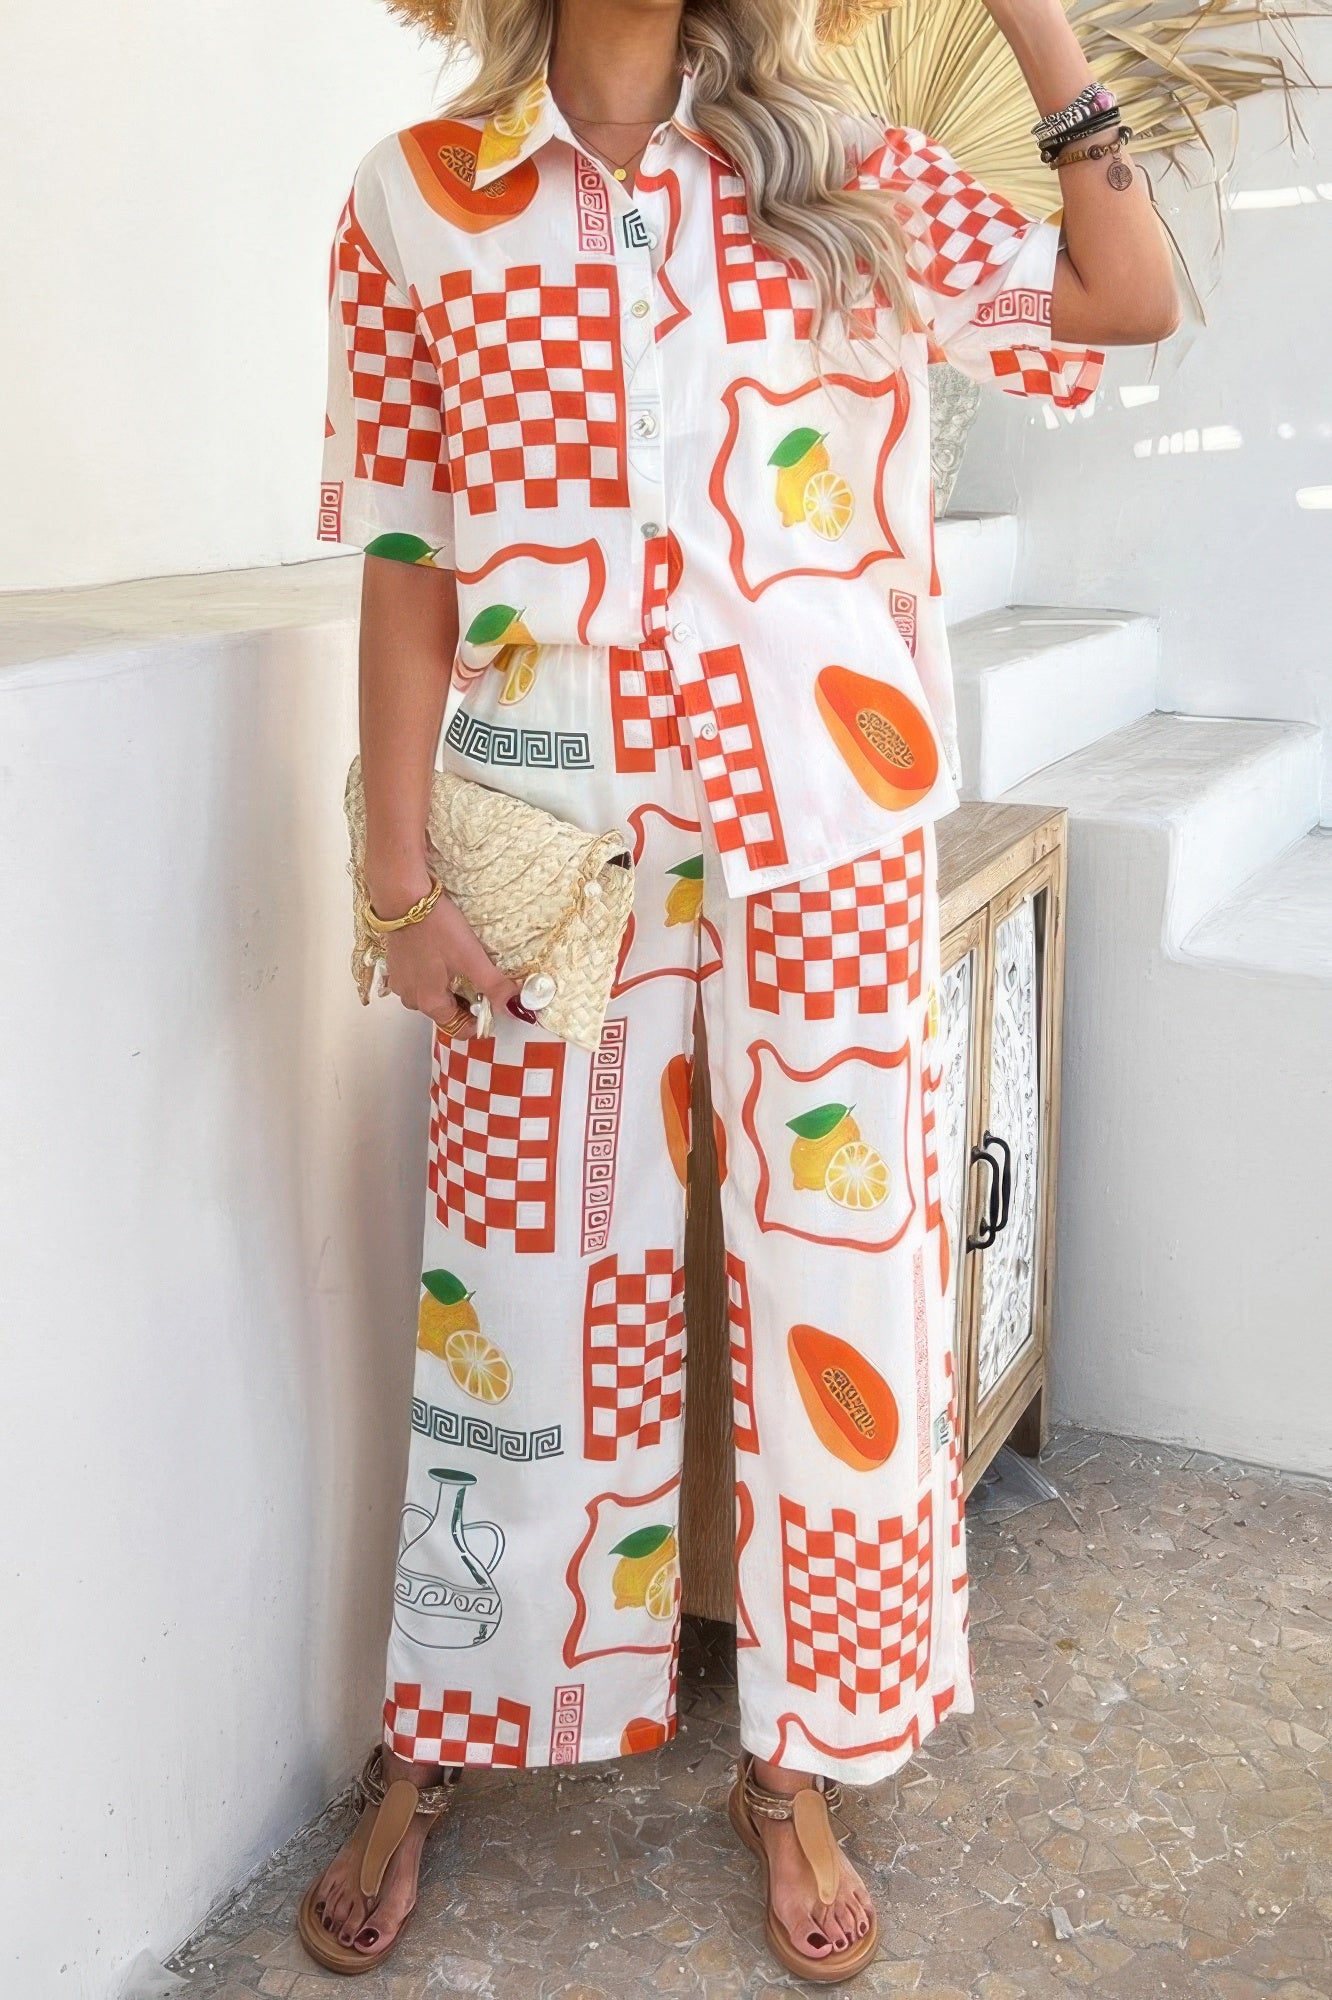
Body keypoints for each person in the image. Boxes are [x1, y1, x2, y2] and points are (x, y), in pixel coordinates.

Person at [304, 0, 1178, 1978]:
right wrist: (397, 881)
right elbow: (412, 556)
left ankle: (798, 1763)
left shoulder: (841, 174)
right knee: (514, 1282)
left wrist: (1035, 20)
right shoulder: (415, 200)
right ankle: (445, 1731)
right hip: (550, 838)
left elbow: (1122, 300)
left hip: (825, 822)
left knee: (842, 1286)